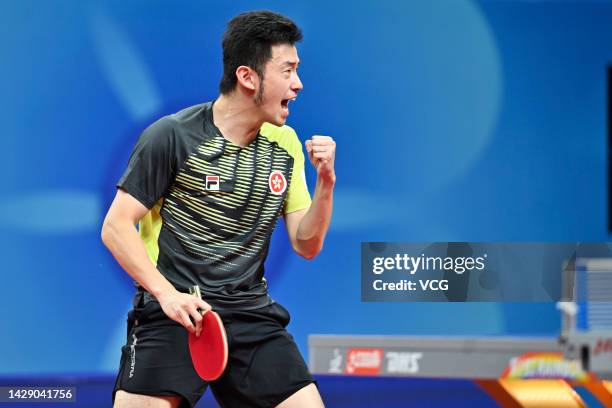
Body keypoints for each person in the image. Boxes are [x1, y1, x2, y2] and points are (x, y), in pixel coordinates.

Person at [101, 10, 335, 408]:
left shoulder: (286, 144)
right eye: (288, 70)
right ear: (248, 77)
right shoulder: (172, 136)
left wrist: (326, 183)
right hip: (174, 312)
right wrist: (167, 295)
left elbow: (306, 244)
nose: (298, 84)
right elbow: (116, 227)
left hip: (250, 314)